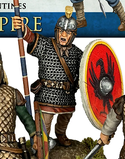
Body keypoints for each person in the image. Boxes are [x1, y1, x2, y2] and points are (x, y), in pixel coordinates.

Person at [12, 8, 83, 147]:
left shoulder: (77, 53)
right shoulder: (46, 45)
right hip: (47, 94)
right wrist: (23, 28)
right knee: (45, 125)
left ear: (73, 35)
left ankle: (61, 135)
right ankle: (42, 146)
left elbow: (86, 69)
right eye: (61, 31)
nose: (63, 35)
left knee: (65, 119)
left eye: (68, 32)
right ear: (56, 31)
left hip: (67, 95)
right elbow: (31, 38)